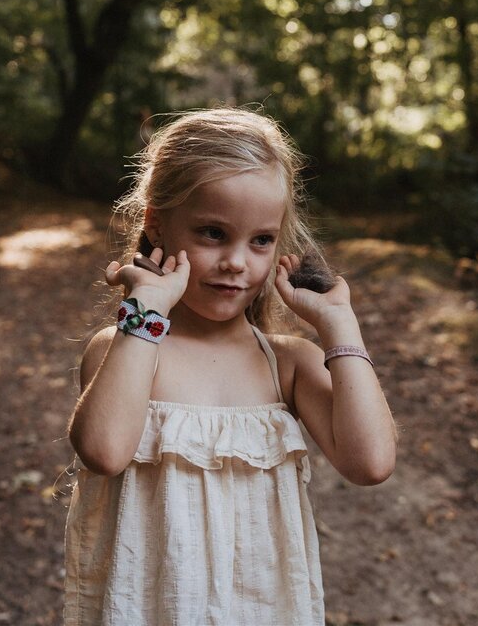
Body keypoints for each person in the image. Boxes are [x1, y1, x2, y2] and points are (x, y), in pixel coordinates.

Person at [64, 108, 397, 625]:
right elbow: (104, 451)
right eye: (213, 233)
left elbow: (371, 463)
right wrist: (146, 312)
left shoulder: (287, 363)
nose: (237, 262)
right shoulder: (126, 348)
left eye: (260, 240)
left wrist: (340, 328)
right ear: (156, 223)